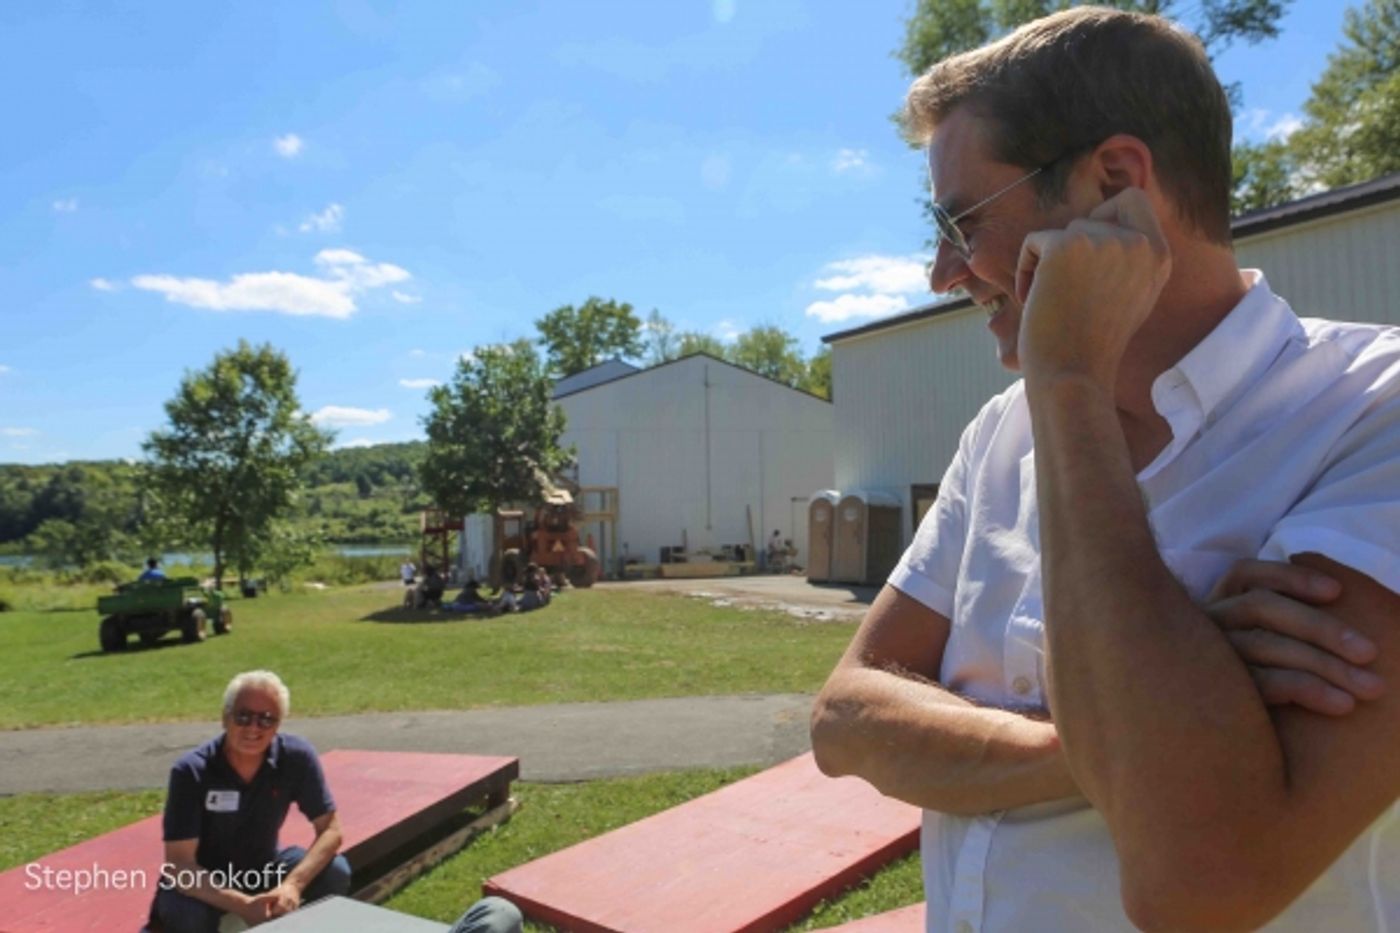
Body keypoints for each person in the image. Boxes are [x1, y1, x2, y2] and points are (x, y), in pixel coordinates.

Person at [810, 8, 1399, 932]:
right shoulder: (1000, 432)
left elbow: (1204, 882)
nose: (940, 272)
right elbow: (844, 717)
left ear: (1116, 181)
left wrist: (1074, 383)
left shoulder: (1375, 410)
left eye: (962, 221)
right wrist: (1118, 739)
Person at [152, 670, 351, 932]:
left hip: (264, 866)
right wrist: (243, 904)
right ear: (225, 718)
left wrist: (293, 885)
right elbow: (179, 864)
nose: (253, 728)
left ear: (278, 725)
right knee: (187, 913)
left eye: (266, 719)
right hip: (203, 878)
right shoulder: (192, 771)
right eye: (243, 716)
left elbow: (331, 829)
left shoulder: (296, 757)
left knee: (336, 870)